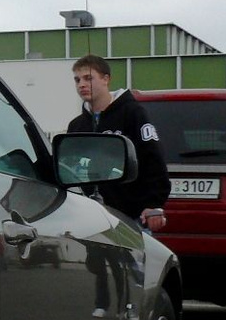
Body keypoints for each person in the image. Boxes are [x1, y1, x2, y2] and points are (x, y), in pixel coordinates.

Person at [67, 54, 169, 233]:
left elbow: (152, 158)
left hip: (131, 217)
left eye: (88, 78)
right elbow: (68, 169)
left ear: (106, 79)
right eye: (77, 80)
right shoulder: (76, 125)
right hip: (90, 220)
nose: (81, 84)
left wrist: (153, 204)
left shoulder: (133, 113)